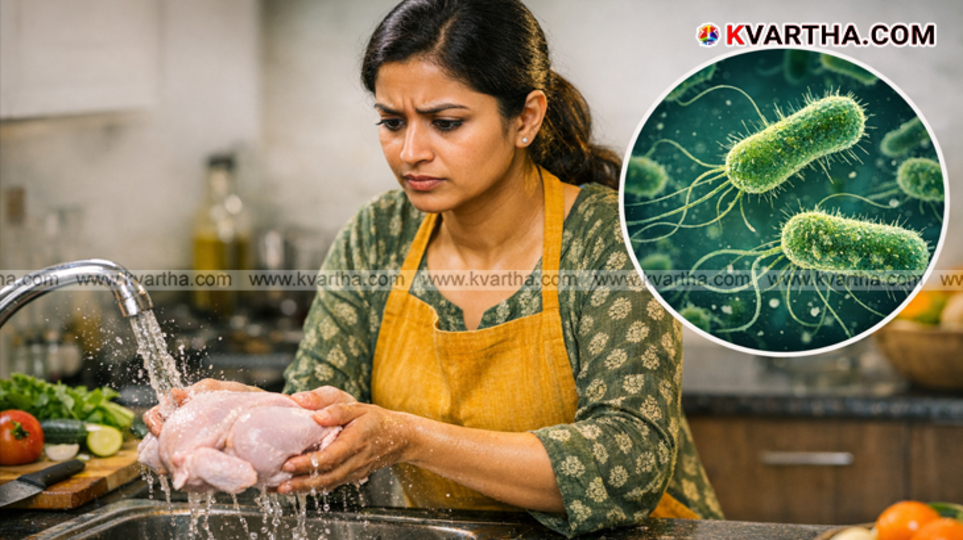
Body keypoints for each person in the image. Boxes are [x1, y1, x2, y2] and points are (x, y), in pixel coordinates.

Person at [148, 0, 722, 536]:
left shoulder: (611, 241)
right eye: (392, 122)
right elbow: (323, 409)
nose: (410, 151)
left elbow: (630, 460)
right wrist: (250, 415)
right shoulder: (377, 237)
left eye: (445, 123)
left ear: (525, 119)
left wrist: (408, 438)